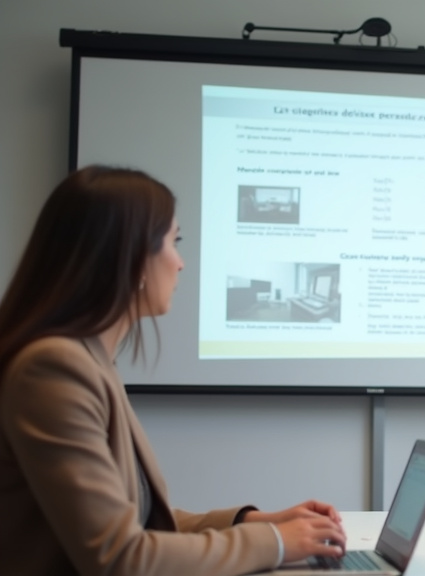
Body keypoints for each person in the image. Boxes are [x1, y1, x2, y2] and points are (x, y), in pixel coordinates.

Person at [0, 166, 346, 576]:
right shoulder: (54, 369)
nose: (180, 263)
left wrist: (254, 523)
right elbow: (121, 557)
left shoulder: (89, 360)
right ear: (130, 256)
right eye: (173, 242)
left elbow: (142, 524)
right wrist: (276, 542)